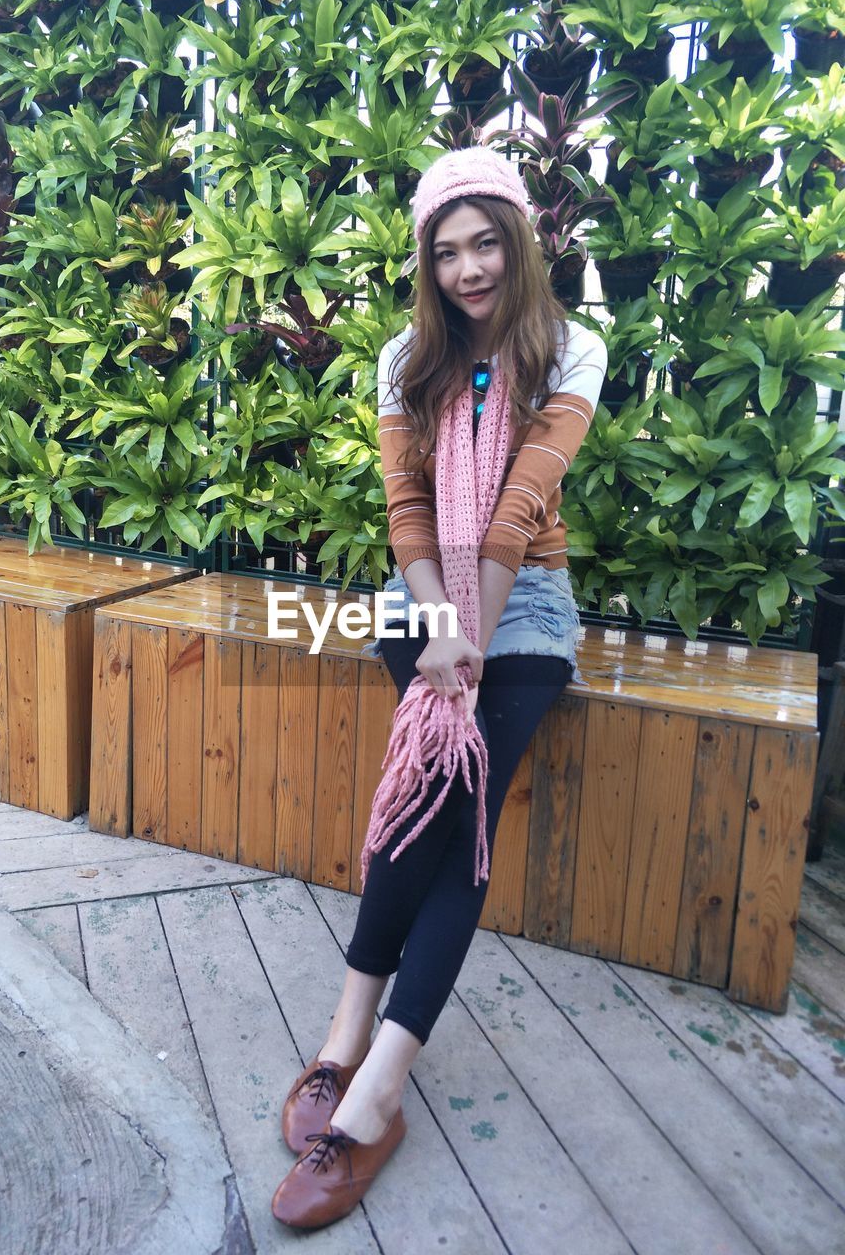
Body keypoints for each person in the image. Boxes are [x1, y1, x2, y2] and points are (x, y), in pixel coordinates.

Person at [270, 145, 608, 1231]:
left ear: (520, 241)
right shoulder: (404, 359)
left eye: (486, 243)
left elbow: (516, 510)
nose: (468, 268)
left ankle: (372, 1076)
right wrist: (438, 623)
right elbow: (408, 512)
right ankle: (345, 1034)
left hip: (530, 603)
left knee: (455, 815)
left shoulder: (569, 349)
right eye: (446, 249)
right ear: (427, 261)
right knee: (424, 804)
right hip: (416, 600)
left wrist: (473, 628)